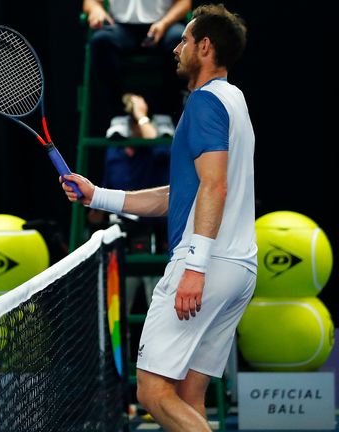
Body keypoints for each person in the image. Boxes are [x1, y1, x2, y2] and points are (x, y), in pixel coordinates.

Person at [62, 5, 254, 430]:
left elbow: (213, 188)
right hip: (239, 267)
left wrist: (195, 267)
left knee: (150, 391)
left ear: (205, 46)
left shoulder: (204, 104)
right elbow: (179, 195)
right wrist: (100, 195)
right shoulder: (234, 101)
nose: (177, 49)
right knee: (187, 395)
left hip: (206, 263)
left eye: (184, 40)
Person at [94, 93, 172, 313]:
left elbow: (161, 147)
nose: (133, 125)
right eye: (131, 120)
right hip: (120, 238)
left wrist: (141, 116)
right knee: (115, 313)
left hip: (155, 239)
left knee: (158, 309)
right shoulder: (114, 150)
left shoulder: (155, 152)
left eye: (136, 121)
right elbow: (105, 185)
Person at [82, 0, 191, 136]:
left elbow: (184, 3)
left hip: (164, 25)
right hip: (121, 27)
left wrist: (164, 23)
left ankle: (165, 117)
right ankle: (119, 118)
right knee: (101, 40)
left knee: (178, 40)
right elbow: (91, 2)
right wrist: (96, 9)